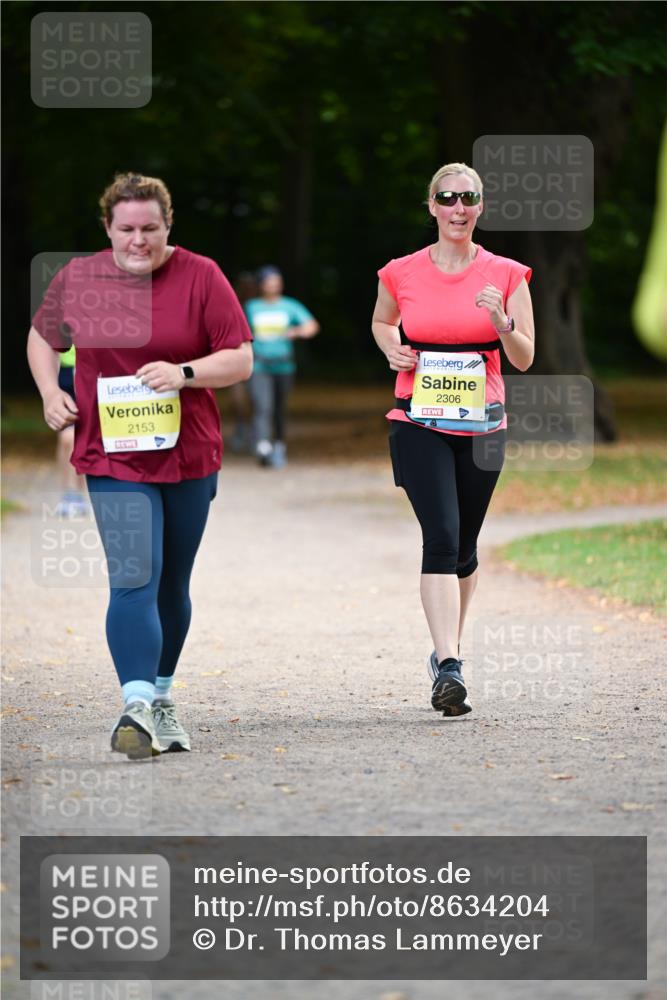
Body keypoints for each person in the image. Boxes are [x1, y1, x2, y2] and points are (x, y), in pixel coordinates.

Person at [27, 172, 253, 758]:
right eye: (126, 229)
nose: (138, 241)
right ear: (107, 228)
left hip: (189, 453)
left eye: (149, 228)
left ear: (167, 225)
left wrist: (184, 374)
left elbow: (241, 358)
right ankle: (135, 707)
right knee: (134, 575)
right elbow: (41, 338)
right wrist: (52, 393)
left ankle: (162, 697)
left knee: (172, 584)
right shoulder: (80, 277)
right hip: (112, 455)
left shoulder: (202, 275)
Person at [371, 162, 534, 718]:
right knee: (440, 537)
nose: (458, 207)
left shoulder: (508, 274)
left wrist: (503, 322)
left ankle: (448, 651)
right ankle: (448, 665)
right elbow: (382, 321)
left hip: (484, 425)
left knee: (464, 548)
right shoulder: (401, 272)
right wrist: (392, 347)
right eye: (447, 198)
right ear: (432, 206)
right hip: (417, 419)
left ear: (481, 206)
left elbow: (525, 357)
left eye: (469, 198)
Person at [244, 266, 319, 467]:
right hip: (259, 365)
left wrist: (296, 331)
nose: (273, 285)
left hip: (283, 366)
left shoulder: (290, 306)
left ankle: (279, 445)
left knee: (279, 409)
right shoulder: (252, 307)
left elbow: (312, 326)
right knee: (262, 406)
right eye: (269, 281)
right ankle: (262, 446)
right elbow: (241, 331)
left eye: (276, 281)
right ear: (261, 285)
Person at [53, 345, 92, 518]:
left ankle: (79, 494)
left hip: (90, 369)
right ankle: (68, 493)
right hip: (64, 374)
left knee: (82, 439)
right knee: (67, 439)